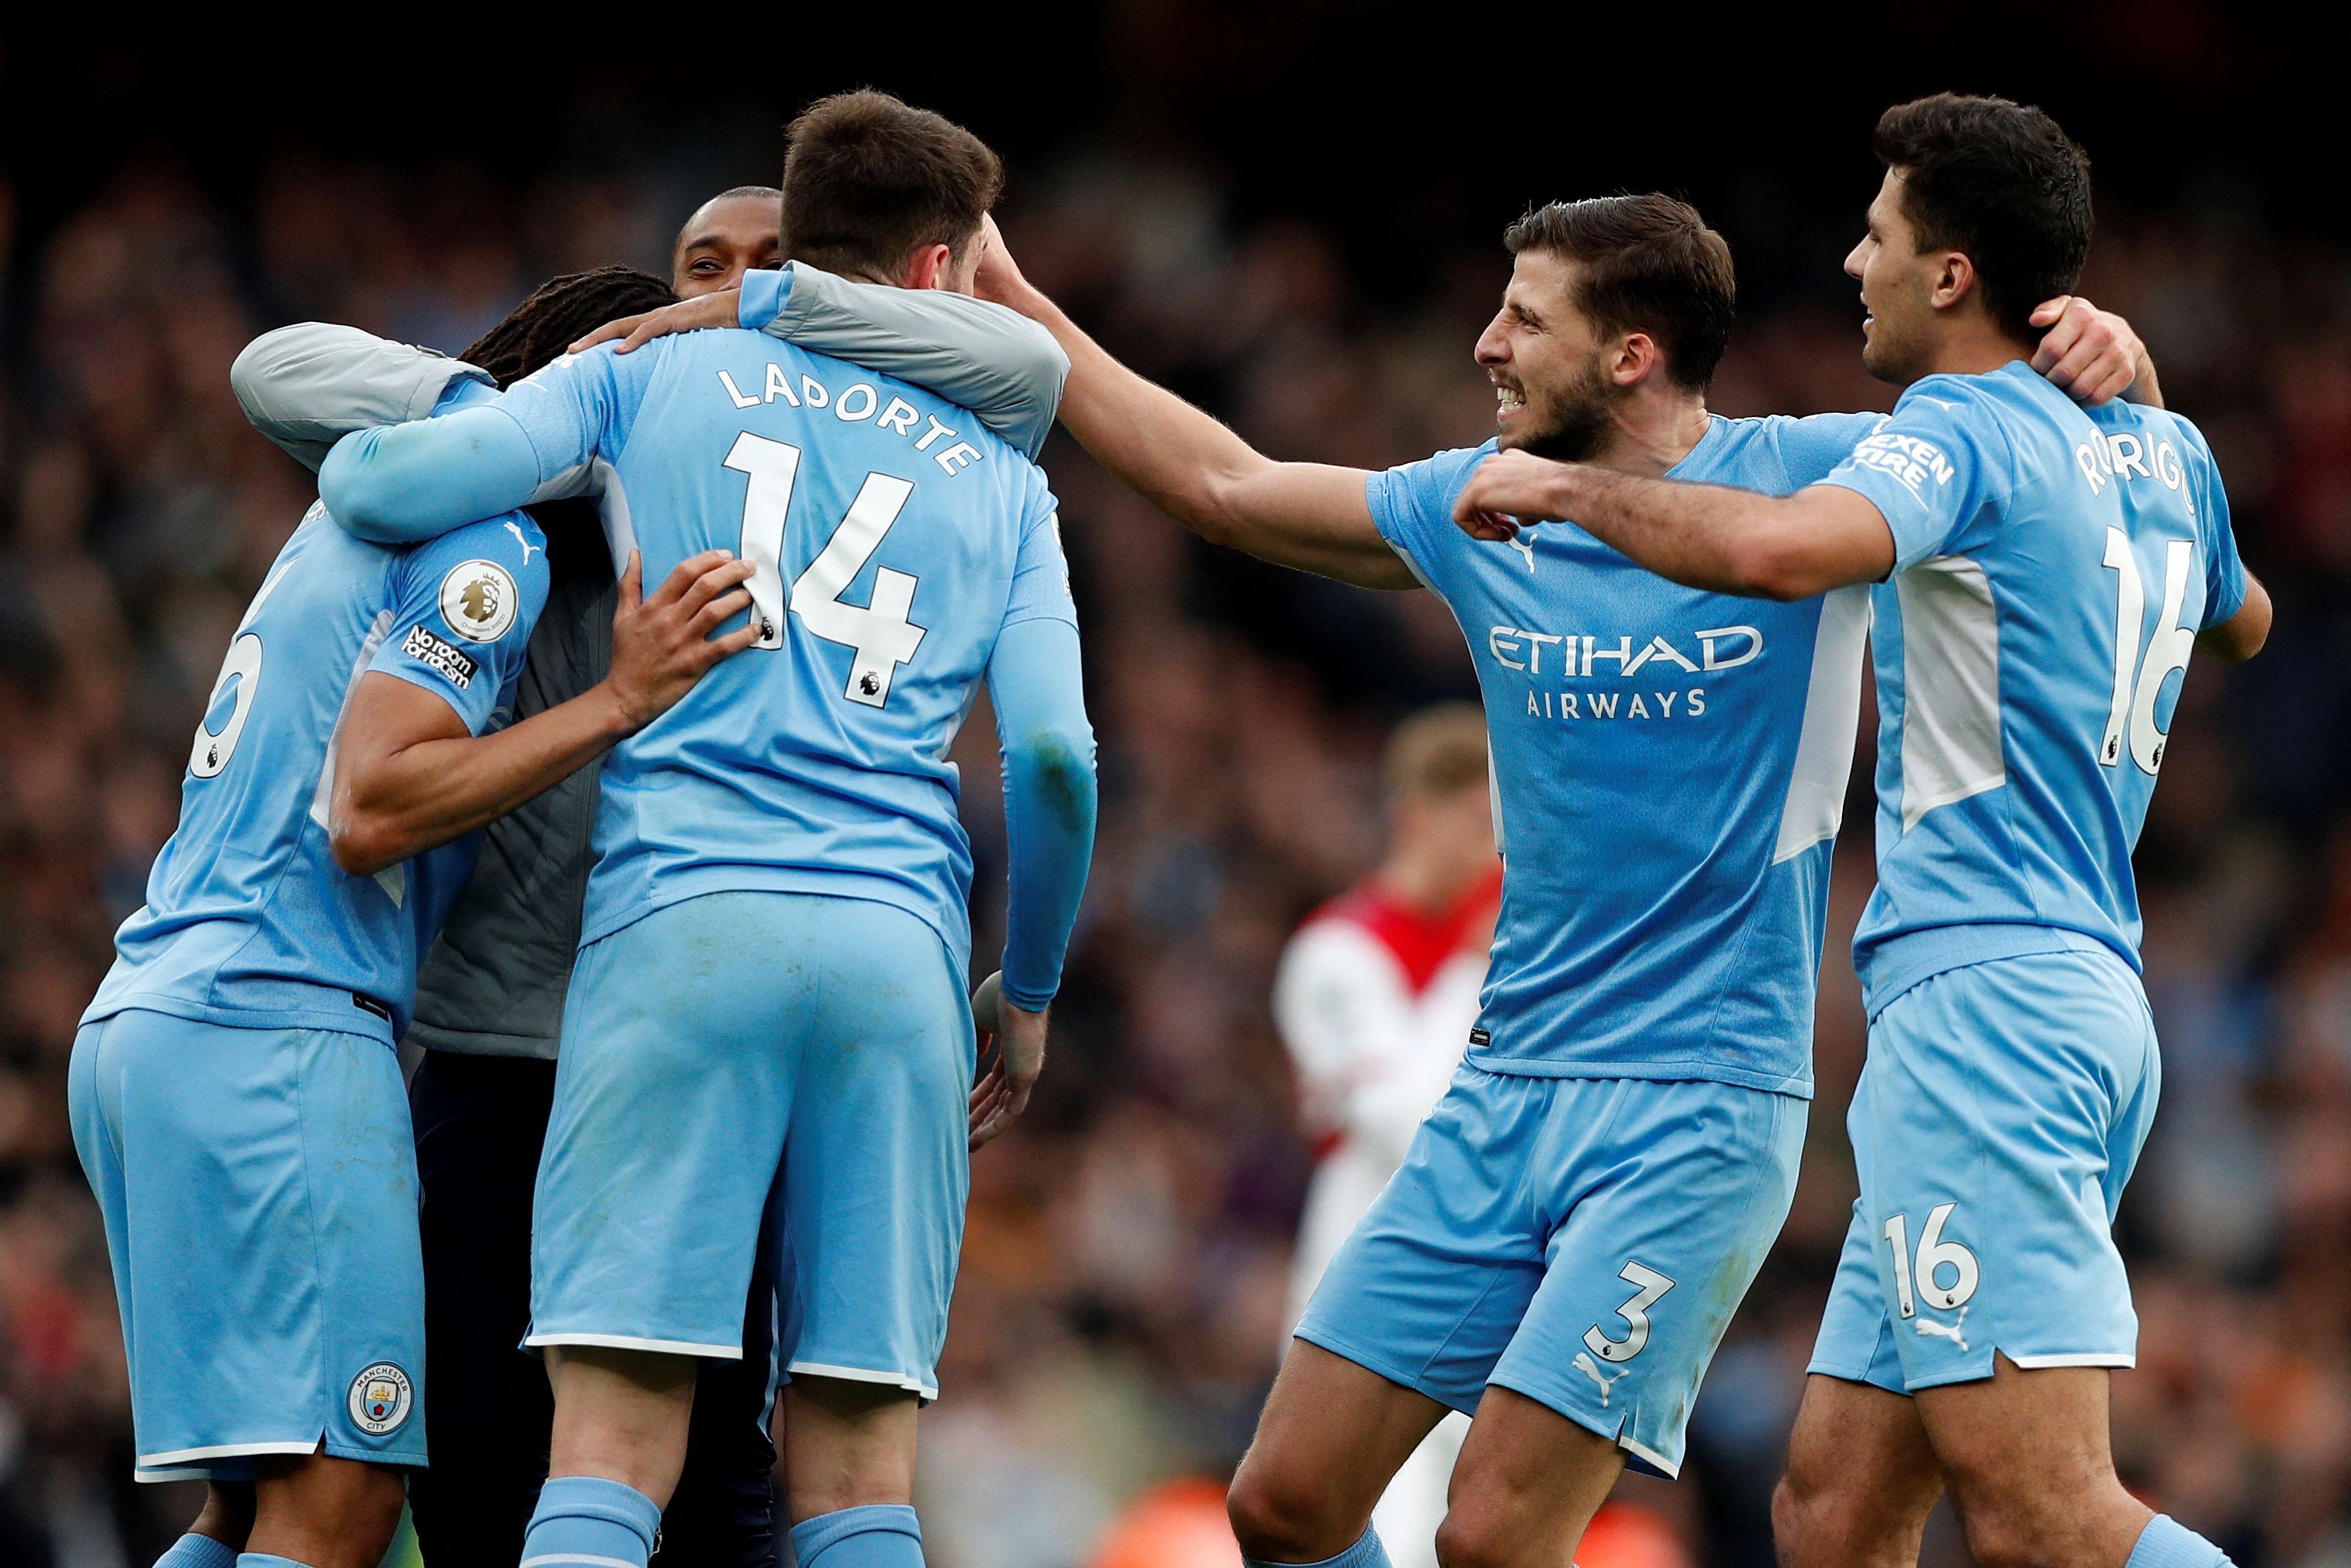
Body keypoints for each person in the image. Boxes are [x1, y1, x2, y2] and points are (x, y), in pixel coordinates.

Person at [948, 195, 2149, 1568]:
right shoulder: (1477, 503)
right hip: (1503, 1088)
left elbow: (2043, 451)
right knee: (1280, 1504)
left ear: (1630, 353)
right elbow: (1223, 483)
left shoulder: (1820, 477)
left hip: (1695, 1111)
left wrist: (2118, 353)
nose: (1484, 345)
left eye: (1523, 318)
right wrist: (1025, 310)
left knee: (1494, 1533)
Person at [1447, 94, 2272, 1568]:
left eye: (1879, 235)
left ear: (1951, 274)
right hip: (2076, 989)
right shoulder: (2165, 450)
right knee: (1829, 1512)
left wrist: (1571, 489)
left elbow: (1774, 549)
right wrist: (2134, 390)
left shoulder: (1958, 422)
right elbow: (2240, 618)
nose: (1851, 261)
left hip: (1987, 1009)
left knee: (2041, 1516)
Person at [315, 91, 1099, 1568]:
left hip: (677, 931)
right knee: (858, 1468)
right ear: (938, 278)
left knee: (609, 1449)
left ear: (787, 247)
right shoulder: (1008, 475)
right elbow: (1055, 760)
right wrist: (1033, 989)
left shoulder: (643, 385)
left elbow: (377, 477)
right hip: (899, 957)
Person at [78, 267, 762, 1568]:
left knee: (245, 1507)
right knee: (345, 1504)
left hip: (159, 1012)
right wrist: (616, 702)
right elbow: (371, 804)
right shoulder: (488, 544)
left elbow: (277, 369)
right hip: (282, 1034)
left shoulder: (359, 516)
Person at [1272, 704, 1498, 1568]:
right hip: (1361, 1278)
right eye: (1480, 825)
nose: (1495, 856)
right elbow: (1408, 1124)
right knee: (1381, 1532)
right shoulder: (1334, 953)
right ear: (1415, 815)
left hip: (1488, 1277)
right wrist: (1478, 968)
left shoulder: (1498, 944)